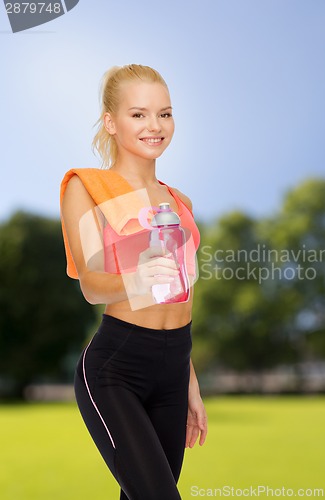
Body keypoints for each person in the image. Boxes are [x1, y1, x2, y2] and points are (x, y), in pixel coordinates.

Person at [60, 64, 208, 500]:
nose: (155, 126)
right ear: (111, 122)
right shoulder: (86, 187)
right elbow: (91, 284)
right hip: (117, 367)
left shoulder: (180, 202)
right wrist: (137, 278)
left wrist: (190, 383)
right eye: (139, 114)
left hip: (175, 365)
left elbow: (184, 294)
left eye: (164, 113)